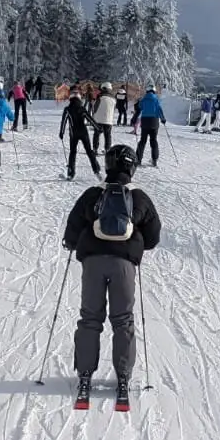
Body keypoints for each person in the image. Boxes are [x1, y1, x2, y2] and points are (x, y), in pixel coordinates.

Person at [63, 143, 162, 409]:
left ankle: (85, 375)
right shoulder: (138, 197)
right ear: (132, 168)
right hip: (124, 264)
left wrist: (73, 243)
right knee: (123, 320)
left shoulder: (93, 194)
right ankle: (122, 378)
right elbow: (153, 237)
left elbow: (72, 229)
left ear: (107, 165)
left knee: (90, 318)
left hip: (93, 262)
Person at [61, 88, 101, 179]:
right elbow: (90, 119)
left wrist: (61, 133)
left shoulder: (67, 109)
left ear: (70, 99)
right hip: (83, 133)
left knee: (73, 152)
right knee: (89, 151)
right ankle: (96, 170)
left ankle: (71, 173)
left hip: (73, 133)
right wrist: (97, 127)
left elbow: (63, 122)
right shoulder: (82, 108)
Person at [132, 86, 166, 166]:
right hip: (154, 122)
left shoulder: (143, 100)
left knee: (142, 141)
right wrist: (163, 119)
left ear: (147, 92)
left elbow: (138, 110)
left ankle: (138, 159)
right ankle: (154, 160)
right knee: (153, 140)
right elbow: (159, 110)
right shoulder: (156, 100)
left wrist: (134, 119)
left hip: (145, 122)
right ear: (154, 91)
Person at [92, 82, 116, 154]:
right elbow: (113, 109)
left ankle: (95, 149)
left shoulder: (100, 97)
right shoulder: (114, 99)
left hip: (98, 120)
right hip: (109, 120)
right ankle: (107, 149)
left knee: (96, 134)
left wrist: (94, 115)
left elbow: (95, 108)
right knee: (108, 135)